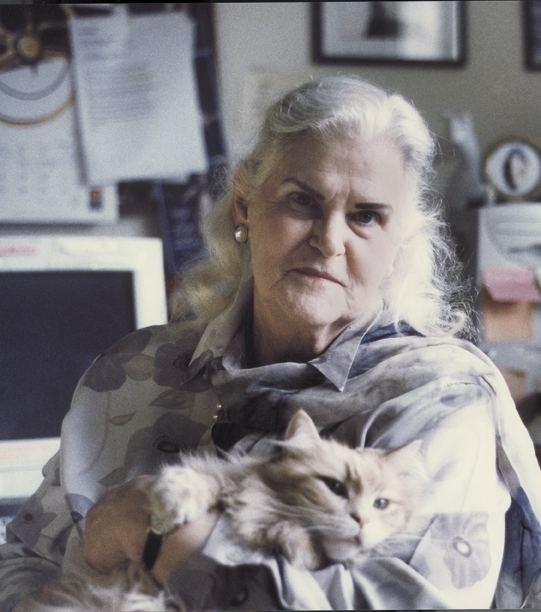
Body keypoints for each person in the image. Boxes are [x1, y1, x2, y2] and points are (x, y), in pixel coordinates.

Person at [1, 74, 541, 610]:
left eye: (365, 216)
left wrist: (154, 535)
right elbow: (23, 556)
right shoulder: (130, 371)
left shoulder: (439, 398)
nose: (329, 240)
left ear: (399, 239)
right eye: (302, 201)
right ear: (244, 204)